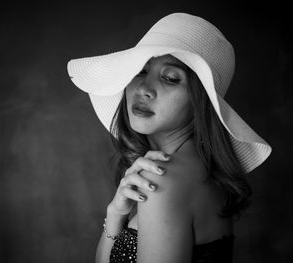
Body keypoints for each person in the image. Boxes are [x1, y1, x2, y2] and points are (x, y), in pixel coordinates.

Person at [67, 13, 272, 263]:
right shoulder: (198, 169)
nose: (144, 89)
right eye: (141, 71)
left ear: (201, 102)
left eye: (170, 78)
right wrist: (115, 213)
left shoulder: (164, 181)